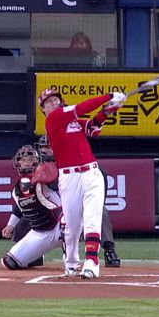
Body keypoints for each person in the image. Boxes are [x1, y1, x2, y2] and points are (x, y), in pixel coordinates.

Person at [40, 87, 126, 279]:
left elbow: (93, 128)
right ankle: (71, 262)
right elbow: (82, 108)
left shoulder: (73, 122)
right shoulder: (53, 119)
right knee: (72, 228)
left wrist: (109, 110)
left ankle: (92, 262)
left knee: (92, 219)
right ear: (43, 109)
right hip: (69, 178)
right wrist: (109, 96)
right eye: (48, 102)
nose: (53, 102)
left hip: (91, 173)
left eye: (55, 99)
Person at [34, 135, 121, 268]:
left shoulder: (84, 167)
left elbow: (98, 200)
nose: (47, 151)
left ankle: (109, 250)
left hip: (77, 205)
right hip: (52, 212)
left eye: (49, 146)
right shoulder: (36, 169)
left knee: (101, 211)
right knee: (31, 208)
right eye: (44, 147)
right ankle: (34, 253)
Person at [0, 145, 64, 271]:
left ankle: (72, 263)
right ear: (17, 163)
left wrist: (40, 176)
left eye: (30, 159)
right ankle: (36, 257)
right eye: (23, 160)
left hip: (60, 226)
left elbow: (54, 178)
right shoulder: (16, 191)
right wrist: (11, 224)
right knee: (10, 262)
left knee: (67, 223)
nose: (26, 162)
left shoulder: (47, 178)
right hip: (39, 232)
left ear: (38, 161)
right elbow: (20, 208)